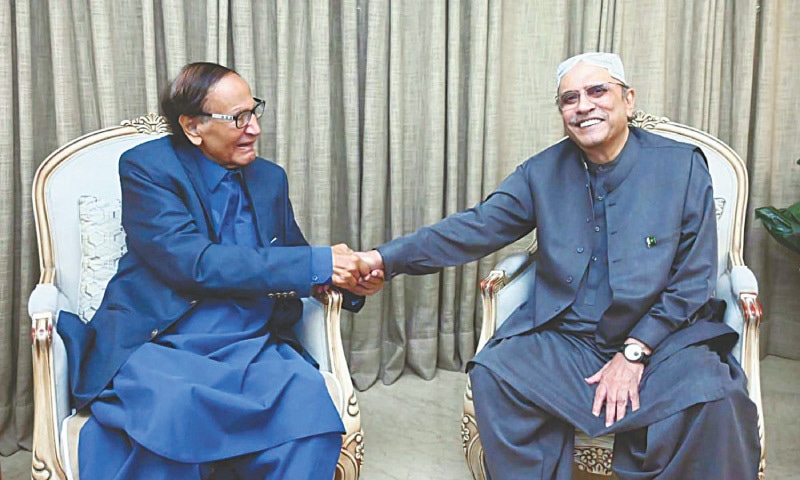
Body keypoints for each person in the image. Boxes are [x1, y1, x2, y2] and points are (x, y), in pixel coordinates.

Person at [355, 52, 760, 478]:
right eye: (569, 99)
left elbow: (694, 279)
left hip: (665, 338)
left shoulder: (681, 165)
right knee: (497, 373)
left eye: (597, 91)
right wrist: (383, 258)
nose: (583, 105)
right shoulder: (540, 173)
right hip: (570, 335)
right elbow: (473, 228)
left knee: (715, 400)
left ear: (628, 100)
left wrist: (635, 352)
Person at [57, 62, 383, 480]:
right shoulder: (147, 168)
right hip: (164, 340)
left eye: (254, 111)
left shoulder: (269, 179)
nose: (255, 129)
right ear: (193, 127)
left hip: (252, 340)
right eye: (238, 118)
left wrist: (349, 280)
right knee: (173, 413)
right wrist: (319, 262)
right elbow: (193, 263)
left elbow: (293, 254)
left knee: (308, 410)